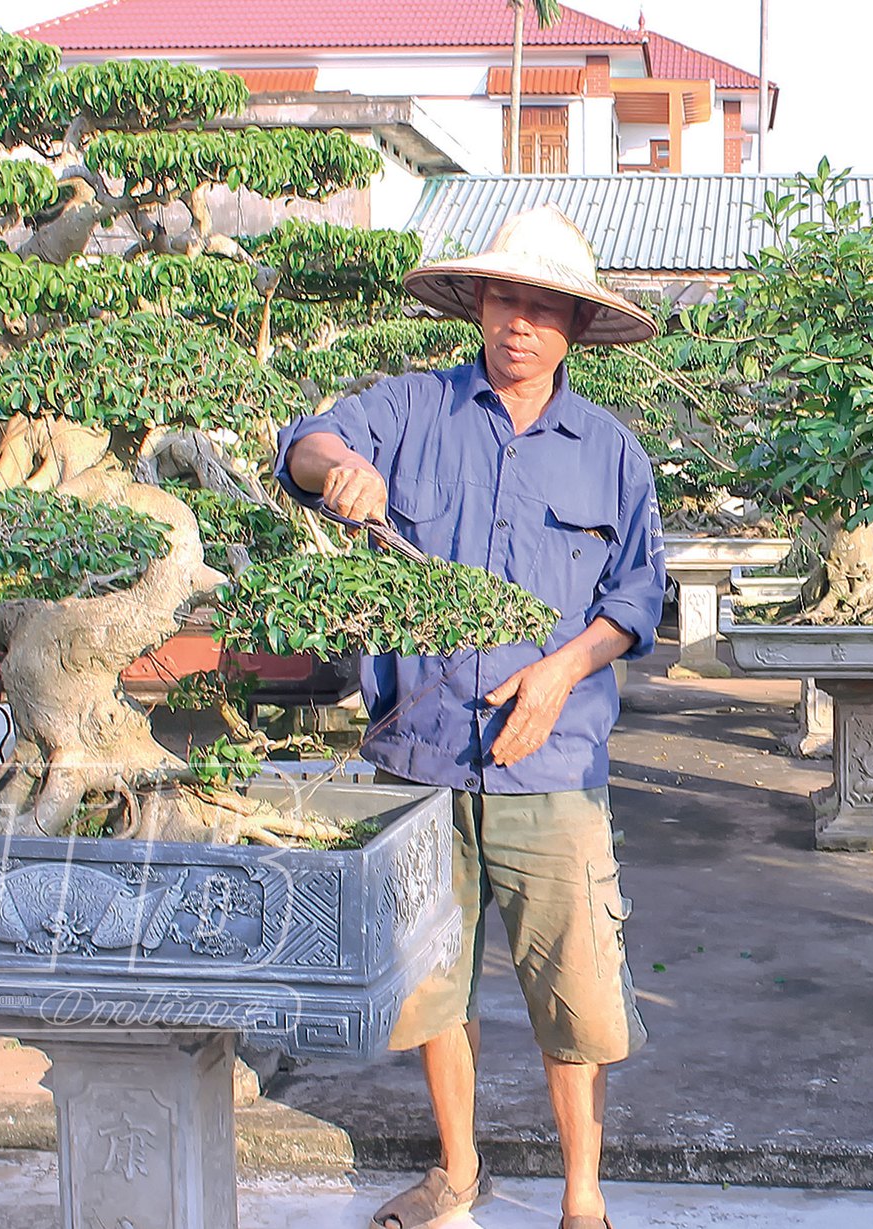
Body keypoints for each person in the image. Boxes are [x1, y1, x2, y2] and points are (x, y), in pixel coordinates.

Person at [273, 206, 665, 1229]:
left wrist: (555, 674)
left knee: (574, 993)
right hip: (421, 751)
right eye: (504, 298)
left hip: (552, 760)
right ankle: (458, 1169)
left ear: (573, 326)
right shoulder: (411, 411)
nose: (519, 322)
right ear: (477, 306)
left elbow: (633, 599)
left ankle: (583, 1194)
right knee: (430, 984)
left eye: (542, 305)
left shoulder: (611, 454)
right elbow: (304, 443)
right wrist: (335, 469)